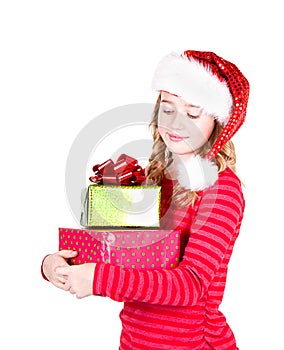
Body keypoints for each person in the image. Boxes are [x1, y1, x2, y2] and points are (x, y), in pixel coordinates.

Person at [41, 50, 250, 349]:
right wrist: (58, 266)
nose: (177, 123)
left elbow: (190, 284)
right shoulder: (154, 178)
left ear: (217, 123)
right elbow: (117, 260)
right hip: (134, 342)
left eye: (192, 113)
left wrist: (98, 278)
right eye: (168, 109)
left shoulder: (221, 189)